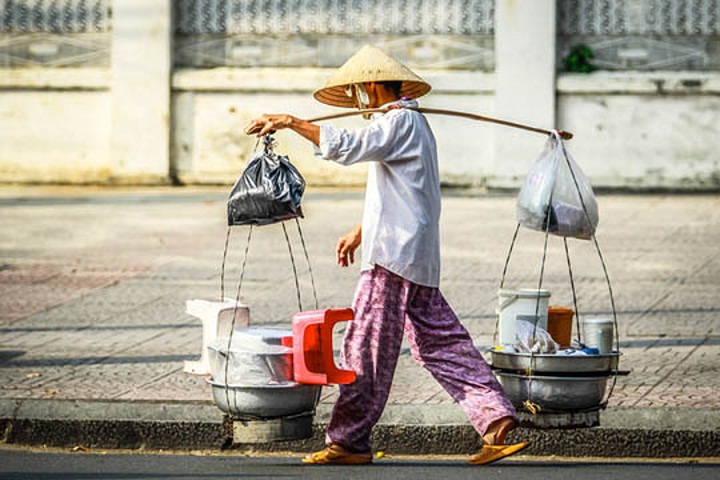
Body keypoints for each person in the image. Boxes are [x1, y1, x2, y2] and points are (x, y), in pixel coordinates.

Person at [245, 44, 528, 466]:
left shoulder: (399, 120)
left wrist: (290, 121)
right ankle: (495, 420)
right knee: (440, 343)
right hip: (413, 253)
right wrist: (362, 230)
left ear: (374, 85)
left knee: (365, 348)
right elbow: (404, 190)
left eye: (361, 90)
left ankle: (348, 441)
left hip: (392, 258)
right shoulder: (409, 124)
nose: (358, 99)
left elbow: (349, 146)